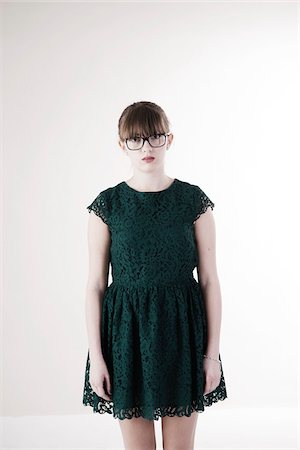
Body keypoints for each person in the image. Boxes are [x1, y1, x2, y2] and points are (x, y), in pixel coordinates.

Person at [82, 101, 228, 450]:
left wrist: (212, 355)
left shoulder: (193, 202)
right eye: (135, 139)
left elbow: (209, 281)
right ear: (122, 145)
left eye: (154, 137)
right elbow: (95, 286)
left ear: (169, 139)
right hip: (126, 338)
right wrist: (97, 357)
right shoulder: (108, 206)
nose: (146, 147)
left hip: (182, 334)